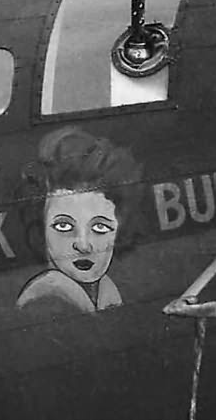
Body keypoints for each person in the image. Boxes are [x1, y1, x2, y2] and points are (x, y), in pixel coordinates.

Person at [15, 126, 142, 313]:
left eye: (99, 227)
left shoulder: (104, 292)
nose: (83, 245)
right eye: (64, 226)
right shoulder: (48, 302)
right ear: (40, 229)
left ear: (120, 230)